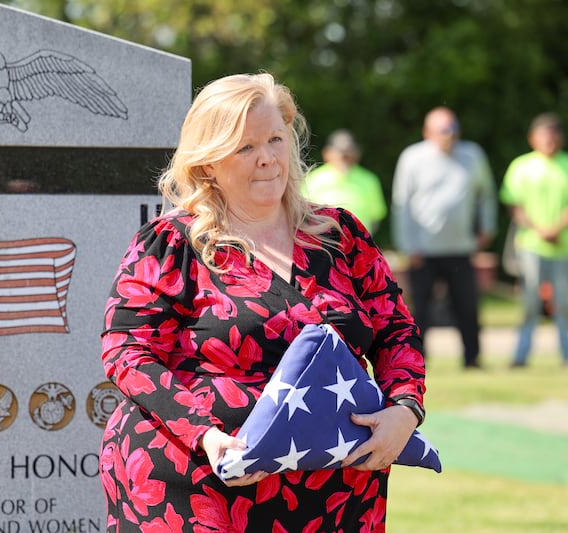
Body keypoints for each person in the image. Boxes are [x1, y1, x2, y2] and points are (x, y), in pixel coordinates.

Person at [99, 73, 427, 532]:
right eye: (245, 147)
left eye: (275, 138)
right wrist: (206, 436)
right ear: (208, 162)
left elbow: (397, 331)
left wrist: (404, 409)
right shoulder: (173, 241)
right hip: (199, 483)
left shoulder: (339, 233)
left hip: (339, 489)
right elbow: (126, 350)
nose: (268, 158)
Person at [391, 106, 497, 369]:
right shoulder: (412, 158)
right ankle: (417, 361)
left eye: (453, 129)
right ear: (428, 132)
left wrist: (487, 227)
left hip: (461, 247)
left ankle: (472, 358)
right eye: (442, 130)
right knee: (420, 311)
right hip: (422, 250)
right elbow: (401, 203)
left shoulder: (473, 155)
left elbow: (487, 194)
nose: (449, 135)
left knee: (467, 306)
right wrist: (407, 245)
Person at [499, 112, 568, 368]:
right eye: (543, 134)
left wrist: (556, 228)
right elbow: (514, 204)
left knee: (564, 304)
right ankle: (521, 356)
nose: (549, 140)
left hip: (563, 246)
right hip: (531, 245)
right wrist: (539, 230)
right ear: (532, 138)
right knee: (529, 304)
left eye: (553, 134)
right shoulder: (522, 166)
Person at [305, 129, 388, 233]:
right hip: (322, 243)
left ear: (357, 153)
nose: (344, 156)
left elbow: (375, 217)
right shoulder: (313, 179)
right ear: (327, 153)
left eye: (349, 150)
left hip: (360, 244)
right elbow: (302, 215)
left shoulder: (369, 180)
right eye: (340, 151)